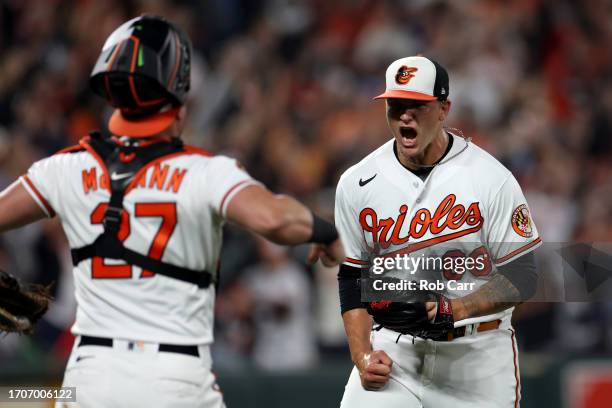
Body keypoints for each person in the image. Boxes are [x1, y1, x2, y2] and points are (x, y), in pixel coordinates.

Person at [0, 15, 344, 408]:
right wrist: (325, 232)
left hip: (91, 374)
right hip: (172, 375)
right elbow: (275, 218)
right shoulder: (205, 172)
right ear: (179, 101)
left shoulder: (65, 167)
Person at [335, 55, 542, 407]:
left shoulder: (489, 178)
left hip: (477, 359)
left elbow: (524, 276)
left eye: (417, 105)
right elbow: (352, 277)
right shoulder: (357, 182)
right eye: (395, 105)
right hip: (396, 354)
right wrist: (362, 355)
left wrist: (455, 309)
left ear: (444, 109)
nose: (404, 115)